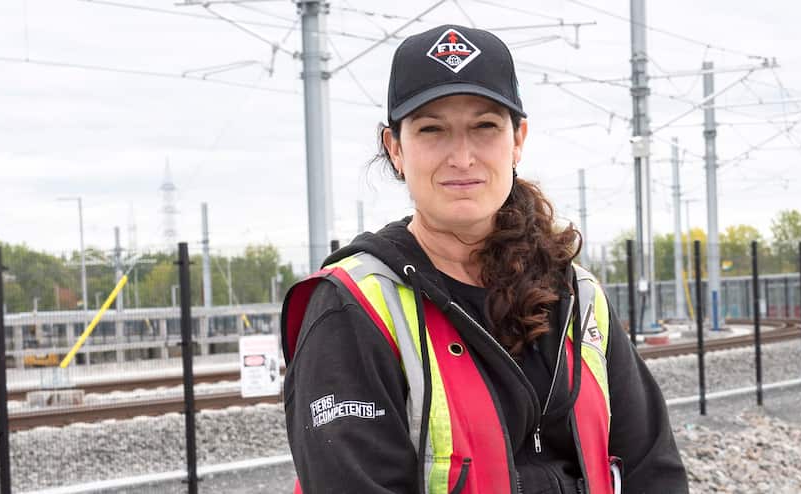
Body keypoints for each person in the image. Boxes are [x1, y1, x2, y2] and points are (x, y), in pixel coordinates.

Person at [281, 24, 687, 494]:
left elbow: (652, 467)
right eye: (432, 130)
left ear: (517, 141)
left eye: (485, 127)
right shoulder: (353, 309)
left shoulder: (576, 296)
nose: (462, 156)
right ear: (395, 149)